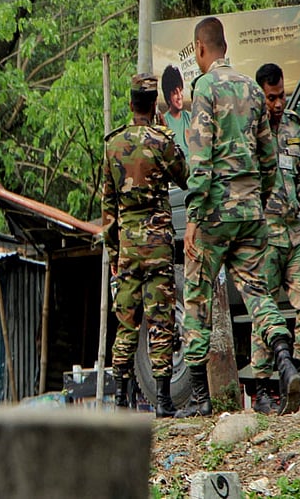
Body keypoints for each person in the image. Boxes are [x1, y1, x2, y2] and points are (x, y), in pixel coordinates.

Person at [177, 18, 300, 418]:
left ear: (199, 49)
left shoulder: (204, 90)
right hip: (250, 212)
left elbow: (200, 157)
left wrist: (194, 217)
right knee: (259, 294)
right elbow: (269, 158)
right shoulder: (251, 88)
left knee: (196, 293)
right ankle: (284, 361)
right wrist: (259, 199)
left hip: (214, 214)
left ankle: (198, 399)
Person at [102, 73, 189, 417]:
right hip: (158, 245)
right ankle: (164, 400)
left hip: (127, 247)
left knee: (126, 321)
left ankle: (121, 400)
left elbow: (108, 207)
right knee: (161, 319)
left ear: (130, 104)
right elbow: (184, 175)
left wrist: (113, 252)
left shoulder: (113, 145)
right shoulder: (162, 141)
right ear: (154, 105)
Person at [249, 63, 300, 412]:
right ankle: (263, 388)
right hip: (263, 235)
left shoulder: (292, 124)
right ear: (261, 94)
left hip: (293, 232)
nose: (277, 103)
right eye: (271, 97)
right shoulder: (250, 128)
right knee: (265, 312)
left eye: (281, 96)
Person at [161, 65, 191, 158]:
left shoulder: (190, 117)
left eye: (180, 91)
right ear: (168, 97)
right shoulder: (164, 122)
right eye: (175, 93)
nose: (179, 96)